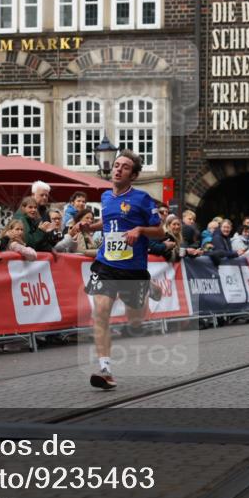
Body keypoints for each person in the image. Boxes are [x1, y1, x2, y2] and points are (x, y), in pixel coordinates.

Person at [84, 151, 165, 390]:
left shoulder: (143, 199)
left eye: (125, 167)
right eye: (117, 165)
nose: (118, 169)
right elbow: (109, 223)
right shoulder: (106, 197)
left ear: (135, 175)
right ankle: (105, 370)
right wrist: (90, 226)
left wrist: (139, 230)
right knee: (100, 313)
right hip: (107, 263)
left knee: (135, 323)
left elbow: (160, 232)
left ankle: (148, 287)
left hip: (133, 269)